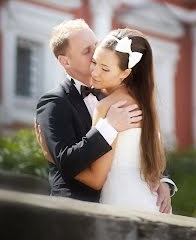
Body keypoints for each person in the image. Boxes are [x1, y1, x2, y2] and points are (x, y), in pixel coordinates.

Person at [35, 19, 175, 212]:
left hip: (127, 200)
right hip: (75, 211)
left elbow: (147, 144)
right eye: (87, 51)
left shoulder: (122, 95)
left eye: (96, 44)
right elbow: (67, 161)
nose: (96, 53)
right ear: (65, 61)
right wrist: (109, 127)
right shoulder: (54, 103)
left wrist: (163, 180)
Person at [76, 27, 173, 213]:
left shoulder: (108, 108)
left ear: (125, 74)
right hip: (151, 202)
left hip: (121, 200)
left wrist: (55, 158)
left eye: (105, 69)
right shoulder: (146, 105)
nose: (95, 73)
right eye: (94, 62)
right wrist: (163, 181)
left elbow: (96, 178)